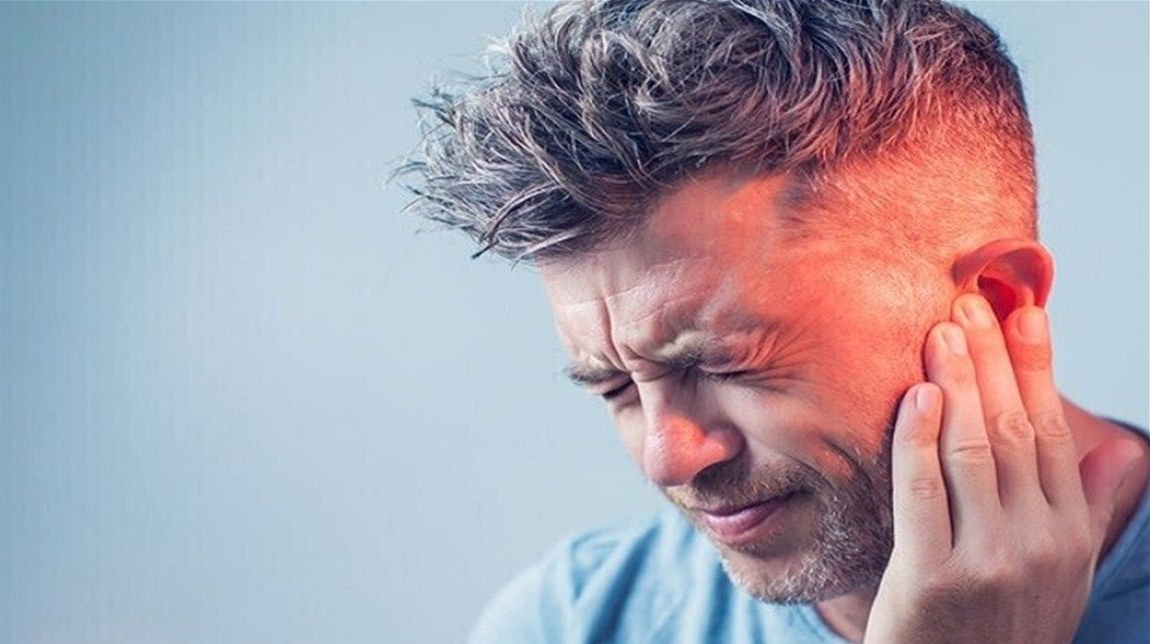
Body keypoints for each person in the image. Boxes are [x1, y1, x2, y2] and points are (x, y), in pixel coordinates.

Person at [391, 1, 1150, 641]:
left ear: (995, 302)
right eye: (615, 387)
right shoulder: (572, 621)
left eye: (724, 363)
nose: (667, 460)